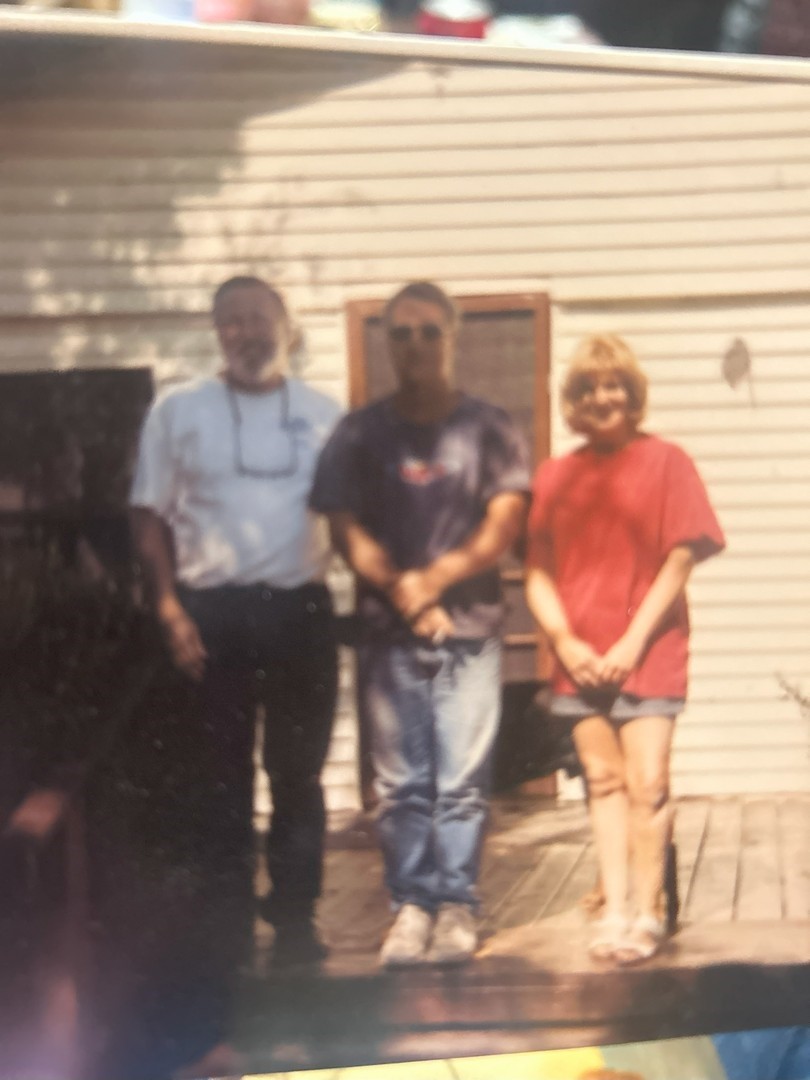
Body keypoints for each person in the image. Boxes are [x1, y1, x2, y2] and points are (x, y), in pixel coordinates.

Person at [310, 280, 529, 967]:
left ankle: (457, 904)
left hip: (470, 631)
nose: (415, 345)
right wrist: (405, 594)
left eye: (429, 331)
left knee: (461, 780)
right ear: (386, 344)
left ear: (452, 337)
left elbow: (504, 525)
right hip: (388, 636)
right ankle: (410, 906)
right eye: (400, 334)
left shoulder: (489, 425)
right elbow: (343, 527)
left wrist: (432, 581)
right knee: (401, 785)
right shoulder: (359, 432)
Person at [129, 275, 341, 967]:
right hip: (212, 613)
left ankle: (297, 916)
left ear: (287, 326)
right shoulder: (178, 410)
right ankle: (225, 921)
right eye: (232, 321)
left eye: (259, 317)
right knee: (220, 774)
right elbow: (148, 516)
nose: (247, 332)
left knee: (298, 772)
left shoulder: (324, 413)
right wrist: (168, 607)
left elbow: (351, 517)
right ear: (217, 333)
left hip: (300, 611)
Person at [525, 333, 725, 965]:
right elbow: (537, 573)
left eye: (614, 386)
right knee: (604, 781)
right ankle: (614, 910)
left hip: (649, 650)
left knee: (649, 783)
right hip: (580, 660)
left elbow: (682, 557)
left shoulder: (668, 462)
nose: (602, 397)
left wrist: (633, 641)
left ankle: (648, 911)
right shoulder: (555, 476)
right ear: (574, 401)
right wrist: (565, 641)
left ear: (633, 394)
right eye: (588, 388)